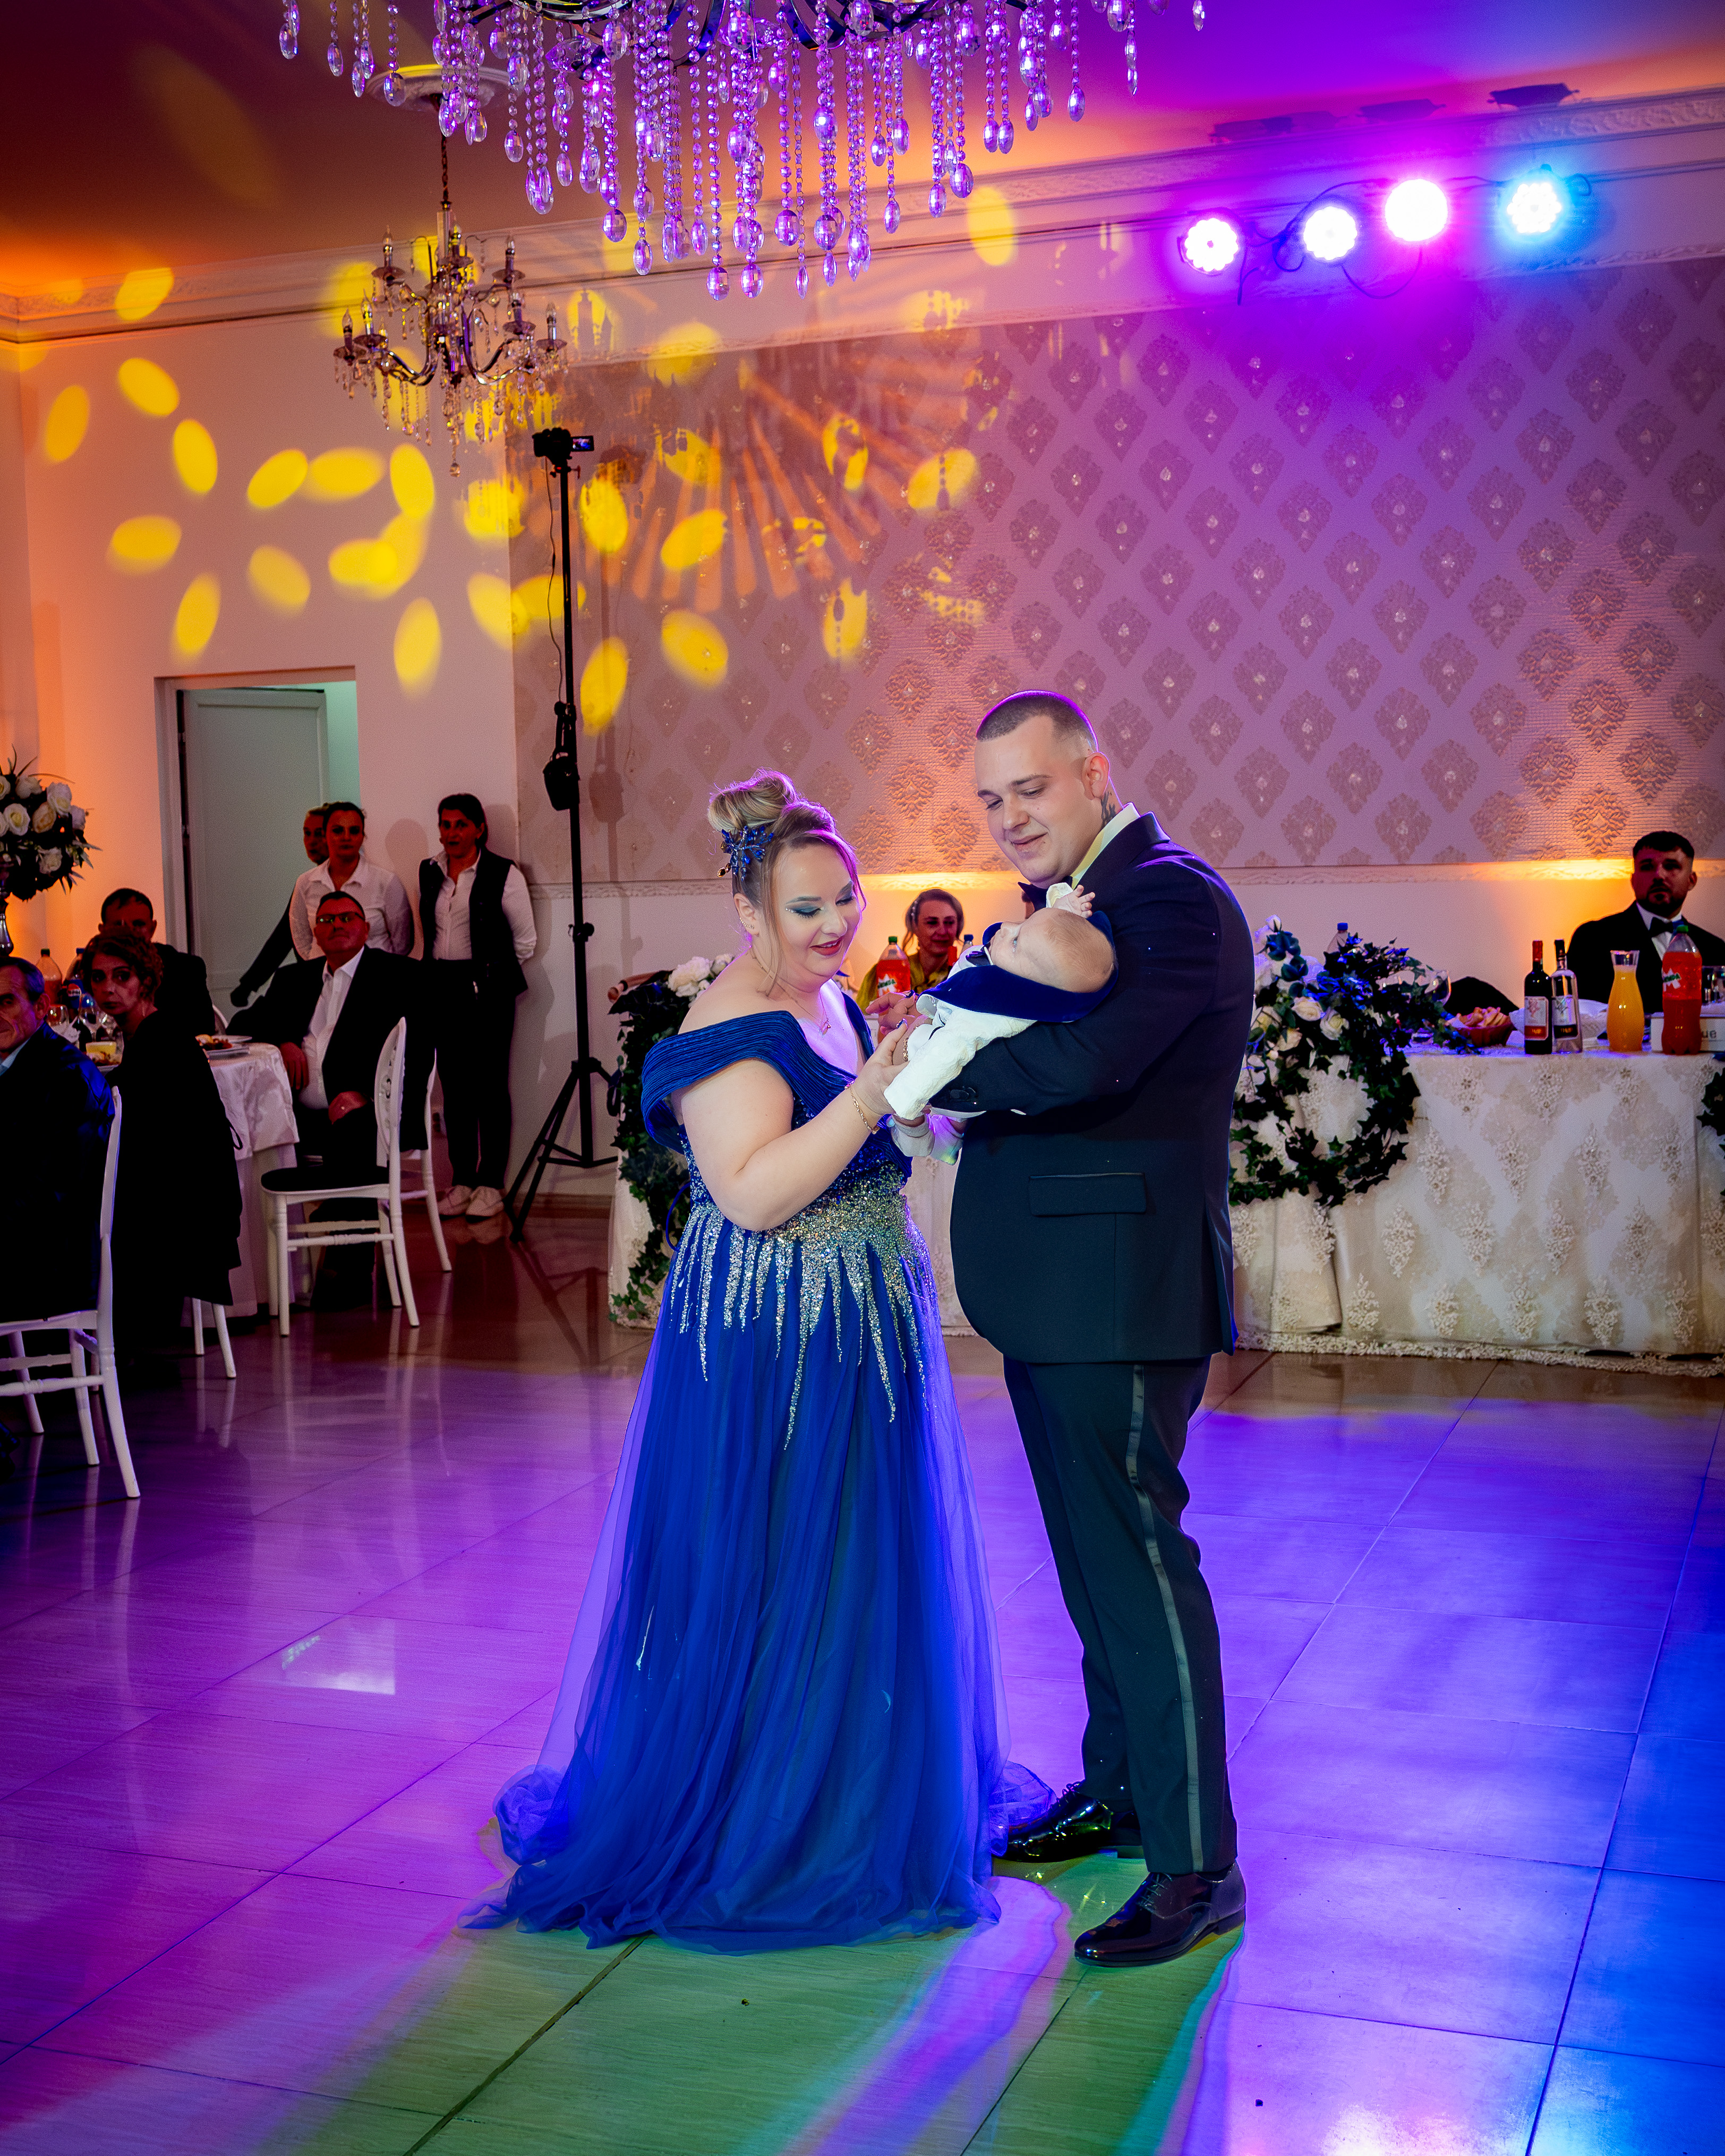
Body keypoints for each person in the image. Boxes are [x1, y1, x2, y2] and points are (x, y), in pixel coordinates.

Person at [465, 769, 1045, 1949]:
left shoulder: (824, 996)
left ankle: (851, 1786)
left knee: (853, 1556)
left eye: (845, 899)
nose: (836, 925)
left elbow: (857, 1136)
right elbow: (751, 1190)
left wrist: (907, 1098)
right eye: (805, 908)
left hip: (857, 1315)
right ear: (747, 911)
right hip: (781, 1324)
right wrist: (873, 1096)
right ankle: (773, 1813)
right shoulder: (734, 1025)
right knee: (784, 1554)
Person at [931, 691, 1252, 1971]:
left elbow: (1090, 1062)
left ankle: (1196, 1862)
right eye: (990, 798)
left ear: (1093, 774)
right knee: (1089, 1563)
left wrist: (926, 1069)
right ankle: (1120, 1796)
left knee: (1138, 1566)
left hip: (1116, 1287)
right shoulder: (1078, 905)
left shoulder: (1168, 898)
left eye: (1031, 789)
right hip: (1060, 1286)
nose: (1009, 816)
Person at [238, 891, 428, 1309]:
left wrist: (369, 1096)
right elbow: (246, 1023)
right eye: (326, 920)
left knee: (352, 1131)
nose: (337, 925)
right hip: (302, 1115)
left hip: (370, 1113)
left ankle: (349, 1267)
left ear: (366, 927)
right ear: (315, 932)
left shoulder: (397, 974)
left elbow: (418, 1049)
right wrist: (283, 1040)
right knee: (248, 1129)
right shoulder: (293, 979)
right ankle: (263, 1278)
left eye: (347, 918)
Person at [81, 932, 242, 1380]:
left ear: (146, 981)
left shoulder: (162, 1039)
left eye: (122, 977)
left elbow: (152, 1141)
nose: (109, 989)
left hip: (191, 1207)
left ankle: (118, 1343)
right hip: (177, 1190)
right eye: (99, 978)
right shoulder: (149, 1034)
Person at [882, 892, 1117, 1125]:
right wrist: (1063, 910)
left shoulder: (991, 1009)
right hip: (945, 1026)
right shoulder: (1024, 973)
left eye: (1015, 942)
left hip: (941, 1071)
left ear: (1031, 986)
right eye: (1022, 924)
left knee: (914, 1054)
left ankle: (922, 1133)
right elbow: (1045, 946)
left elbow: (946, 1051)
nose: (1005, 927)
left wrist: (901, 1096)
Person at [417, 792, 536, 1224]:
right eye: (445, 825)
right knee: (454, 1088)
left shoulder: (504, 873)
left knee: (490, 1086)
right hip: (441, 986)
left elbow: (525, 941)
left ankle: (491, 1184)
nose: (451, 833)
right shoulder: (430, 871)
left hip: (488, 987)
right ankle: (463, 1180)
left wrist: (489, 976)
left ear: (479, 828)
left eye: (461, 825)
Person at [0, 957, 113, 1322]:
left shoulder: (67, 1079)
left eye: (6, 1002)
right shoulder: (13, 1066)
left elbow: (52, 1192)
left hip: (48, 1263)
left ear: (40, 1007)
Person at [1567, 830, 1725, 1013]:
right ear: (1633, 881)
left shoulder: (1715, 949)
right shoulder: (1591, 939)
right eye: (1647, 867)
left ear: (1691, 880)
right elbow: (1578, 1014)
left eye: (1671, 866)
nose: (1659, 875)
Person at [232, 805, 330, 1010]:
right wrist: (249, 984)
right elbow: (286, 935)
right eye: (307, 833)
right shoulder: (307, 883)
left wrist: (249, 984)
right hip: (313, 981)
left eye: (319, 834)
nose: (311, 841)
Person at [287, 802, 412, 961]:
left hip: (374, 973)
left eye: (354, 831)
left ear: (363, 836)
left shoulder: (386, 882)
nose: (346, 837)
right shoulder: (306, 882)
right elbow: (301, 939)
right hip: (322, 973)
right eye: (338, 831)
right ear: (325, 835)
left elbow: (403, 943)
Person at [97, 889, 218, 1035]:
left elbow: (203, 1029)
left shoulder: (186, 968)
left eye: (138, 924)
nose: (130, 932)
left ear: (152, 928)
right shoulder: (93, 971)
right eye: (119, 926)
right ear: (103, 931)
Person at [858, 887, 965, 1007]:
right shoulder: (887, 971)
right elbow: (863, 1016)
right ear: (915, 926)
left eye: (949, 922)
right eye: (932, 922)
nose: (942, 931)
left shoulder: (965, 974)